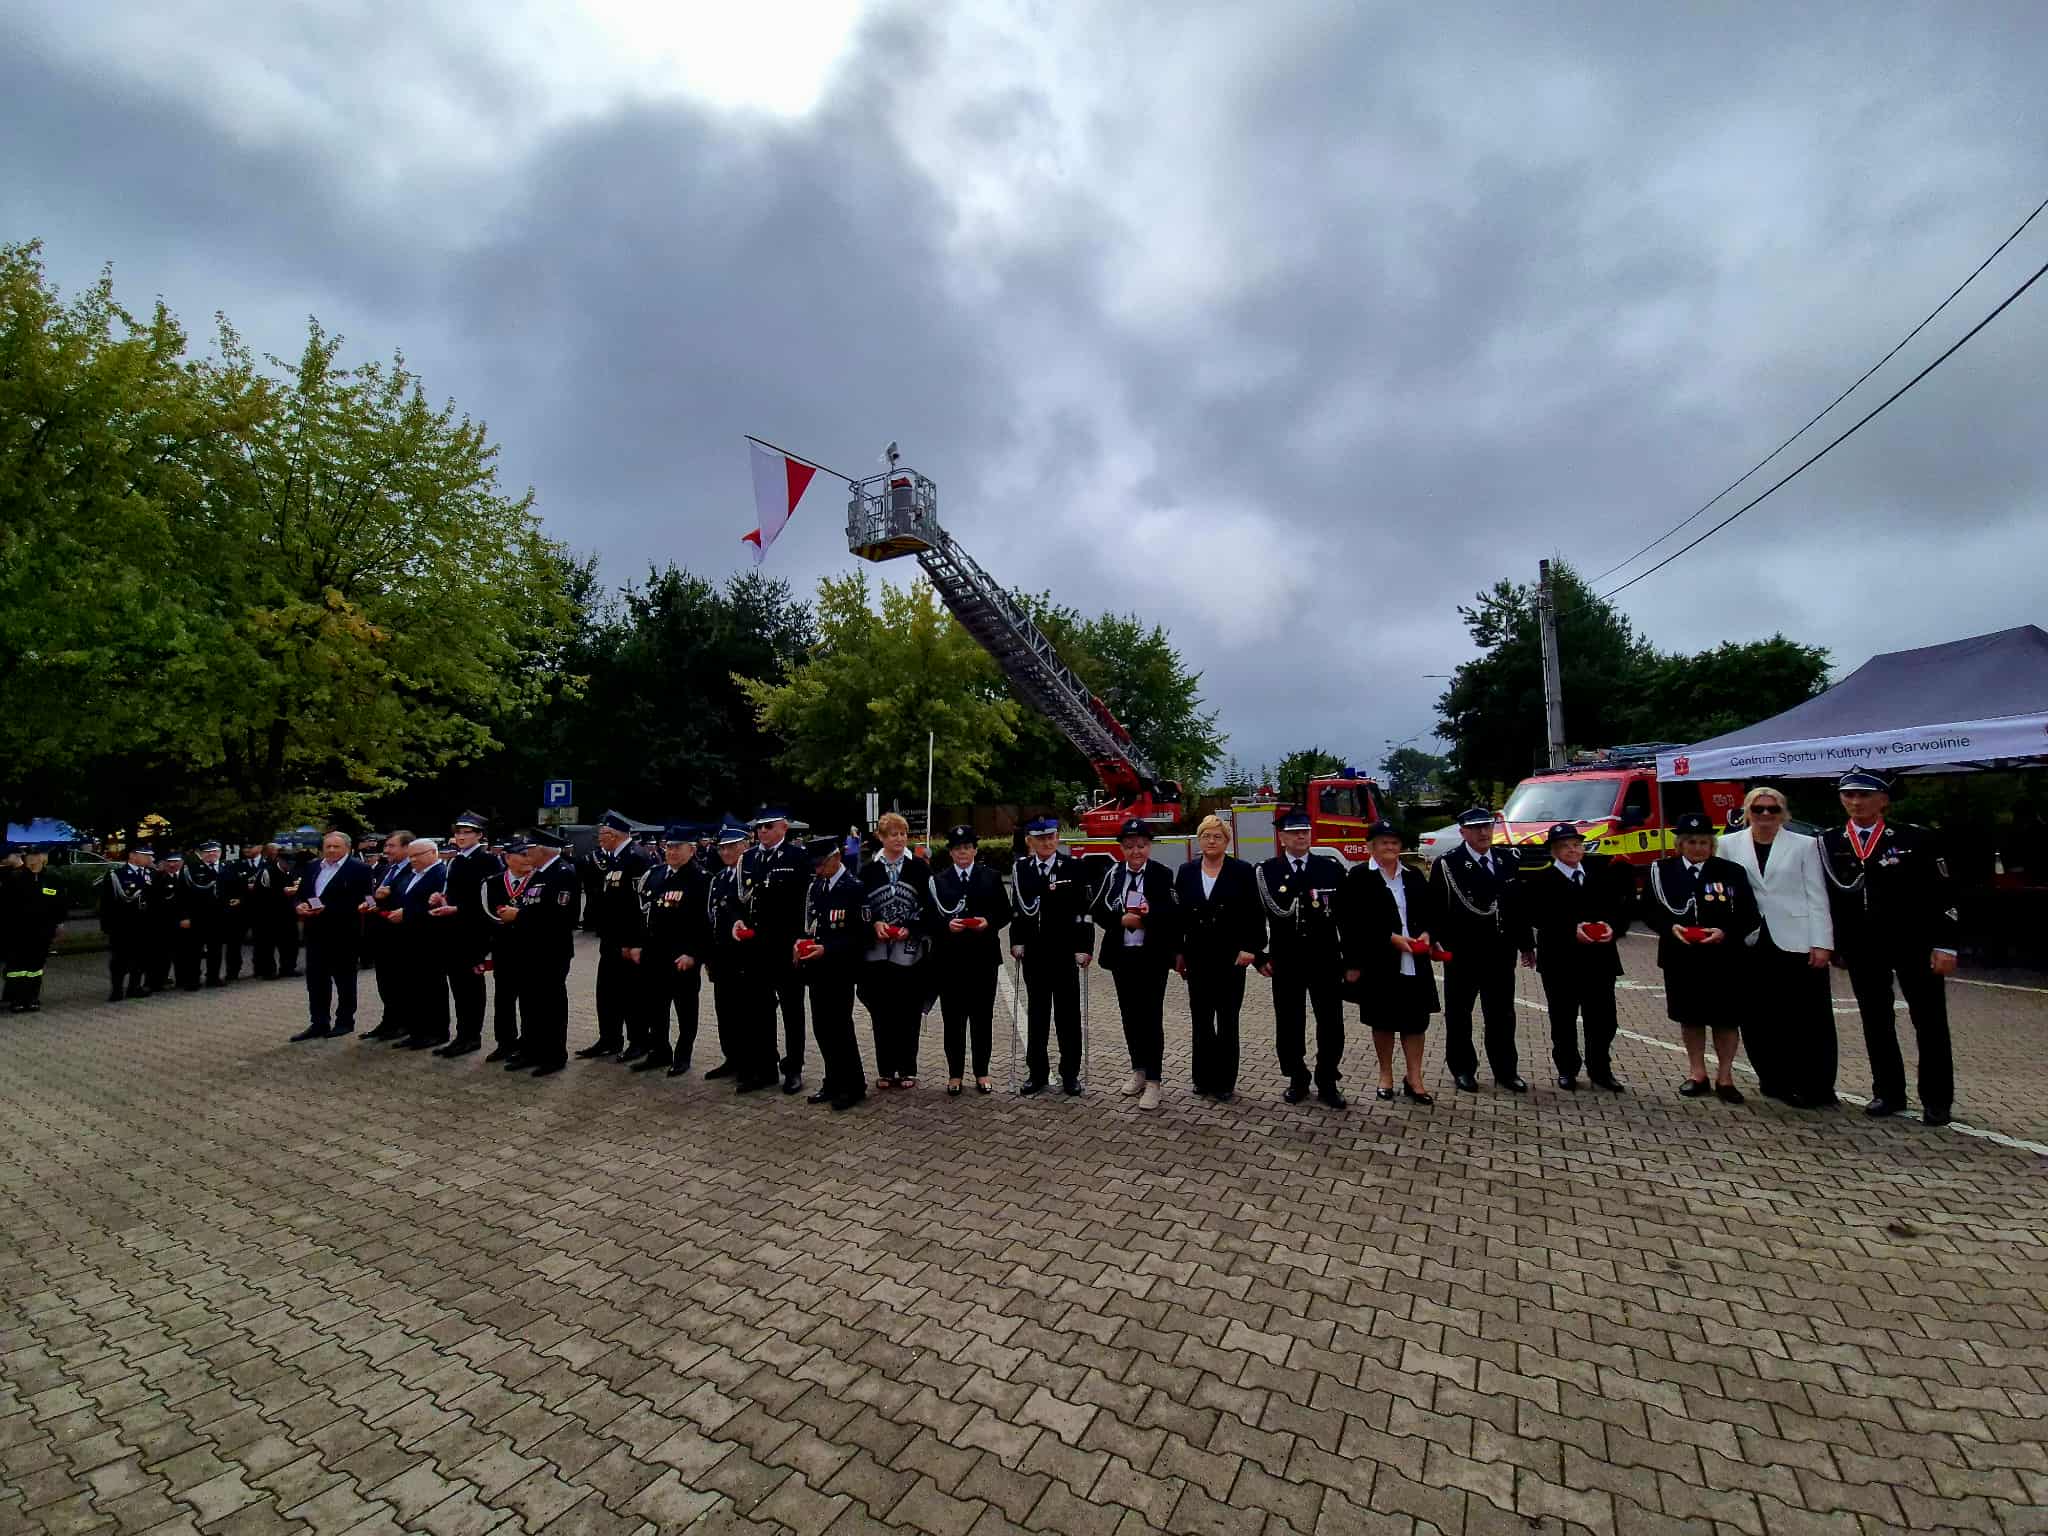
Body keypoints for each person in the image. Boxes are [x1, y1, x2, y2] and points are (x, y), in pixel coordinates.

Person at [1820, 767, 1961, 1125]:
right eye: (1849, 795)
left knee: (1929, 1020)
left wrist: (1946, 944)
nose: (1856, 802)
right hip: (1863, 946)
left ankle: (1937, 1099)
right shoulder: (1829, 841)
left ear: (1883, 800)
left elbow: (1944, 893)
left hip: (1915, 942)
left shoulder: (1917, 838)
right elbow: (1826, 898)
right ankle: (1888, 1092)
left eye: (1864, 795)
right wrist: (1834, 943)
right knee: (1875, 1020)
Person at [1718, 785, 1836, 1107]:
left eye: (1773, 809)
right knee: (1757, 1016)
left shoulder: (1805, 845)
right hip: (1750, 940)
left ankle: (1814, 1084)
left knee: (1805, 1017)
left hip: (1797, 937)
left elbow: (1817, 895)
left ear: (1783, 813)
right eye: (1758, 809)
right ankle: (1772, 1078)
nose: (1766, 814)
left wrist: (1822, 942)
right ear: (1748, 812)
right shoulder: (1727, 844)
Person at [1640, 811, 1759, 1102]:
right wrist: (1669, 927)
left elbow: (1750, 914)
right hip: (1681, 957)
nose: (1698, 847)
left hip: (1724, 958)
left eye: (1704, 842)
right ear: (1680, 844)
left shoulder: (1731, 872)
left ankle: (1725, 1078)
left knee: (1726, 1020)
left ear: (1712, 844)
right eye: (1691, 841)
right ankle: (1697, 1074)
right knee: (1690, 1018)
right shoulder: (1661, 870)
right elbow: (1648, 910)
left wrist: (1725, 931)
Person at [1517, 823, 1631, 1091]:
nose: (1572, 850)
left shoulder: (1599, 875)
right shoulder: (1540, 880)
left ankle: (1600, 1069)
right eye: (1565, 846)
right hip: (1561, 961)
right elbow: (1537, 917)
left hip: (1600, 960)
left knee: (1603, 1020)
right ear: (1554, 851)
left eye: (1576, 845)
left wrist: (1613, 928)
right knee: (1563, 1019)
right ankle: (1567, 1069)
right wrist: (1570, 931)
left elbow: (1621, 909)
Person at [1338, 821, 1439, 1104]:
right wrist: (1389, 938)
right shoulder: (1358, 877)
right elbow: (1350, 921)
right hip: (1379, 962)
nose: (1390, 847)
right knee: (1383, 1021)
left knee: (1416, 1022)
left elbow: (1432, 912)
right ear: (1371, 846)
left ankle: (1415, 1078)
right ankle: (1385, 1075)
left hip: (1415, 961)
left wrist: (1428, 933)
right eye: (1384, 842)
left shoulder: (1414, 875)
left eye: (1395, 842)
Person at [1429, 806, 1527, 1093]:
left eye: (1487, 827)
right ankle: (1462, 1068)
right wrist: (1436, 940)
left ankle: (1506, 1070)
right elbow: (1437, 907)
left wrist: (1526, 943)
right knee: (1460, 1014)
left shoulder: (1508, 859)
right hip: (1464, 952)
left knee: (1502, 1014)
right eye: (1475, 828)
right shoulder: (1448, 863)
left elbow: (1517, 905)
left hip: (1500, 950)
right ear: (1463, 832)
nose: (1483, 832)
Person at [1255, 808, 1347, 1106]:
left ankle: (1328, 1079)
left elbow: (1347, 917)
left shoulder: (1329, 868)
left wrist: (1352, 959)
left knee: (1331, 1022)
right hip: (1287, 959)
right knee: (1289, 1021)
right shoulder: (1267, 871)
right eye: (1294, 832)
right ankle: (1297, 1076)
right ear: (1282, 837)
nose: (1301, 836)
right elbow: (1255, 917)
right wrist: (1259, 955)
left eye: (1305, 831)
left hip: (1325, 957)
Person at [1174, 814, 1264, 1103]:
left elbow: (1255, 913)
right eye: (1206, 836)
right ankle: (1202, 1078)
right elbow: (1179, 916)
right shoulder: (1186, 871)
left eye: (1217, 837)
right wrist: (1178, 952)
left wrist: (1251, 947)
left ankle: (1225, 1081)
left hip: (1231, 957)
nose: (1211, 841)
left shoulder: (1242, 871)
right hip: (1197, 957)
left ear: (1227, 841)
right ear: (1198, 840)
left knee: (1227, 1020)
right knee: (1201, 1020)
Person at [1091, 818, 1179, 1111]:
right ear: (1122, 848)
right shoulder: (1113, 873)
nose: (1135, 851)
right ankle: (1138, 1071)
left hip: (1151, 957)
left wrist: (1146, 917)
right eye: (1129, 846)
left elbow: (1171, 913)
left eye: (1141, 845)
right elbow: (1097, 908)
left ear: (1149, 846)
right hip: (1122, 957)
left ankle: (1154, 1081)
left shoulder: (1162, 874)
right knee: (1129, 1016)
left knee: (1151, 1018)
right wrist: (1120, 919)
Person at [1009, 815, 1091, 1096]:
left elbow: (1083, 910)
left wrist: (1084, 947)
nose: (1046, 842)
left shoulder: (1073, 867)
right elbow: (1018, 908)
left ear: (1057, 838)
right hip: (1035, 953)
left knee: (1068, 1017)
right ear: (1030, 841)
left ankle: (1070, 1074)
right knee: (1037, 1016)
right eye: (1040, 838)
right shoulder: (1021, 869)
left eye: (1051, 837)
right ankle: (1037, 1073)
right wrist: (1016, 941)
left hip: (1065, 952)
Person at [489, 827, 581, 1076]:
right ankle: (531, 1050)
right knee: (531, 1004)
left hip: (551, 952)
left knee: (550, 1005)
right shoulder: (540, 873)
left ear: (542, 850)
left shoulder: (562, 873)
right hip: (530, 951)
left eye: (529, 849)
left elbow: (562, 916)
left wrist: (518, 915)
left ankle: (554, 1055)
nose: (527, 854)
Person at [928, 825, 1011, 1096]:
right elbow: (928, 918)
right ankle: (955, 1074)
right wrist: (945, 925)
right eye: (957, 848)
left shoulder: (991, 877)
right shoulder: (939, 880)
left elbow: (1005, 912)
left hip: (983, 958)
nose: (962, 852)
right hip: (950, 960)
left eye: (967, 847)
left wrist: (988, 921)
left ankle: (982, 1072)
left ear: (975, 850)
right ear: (950, 852)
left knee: (981, 1018)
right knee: (953, 1019)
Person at [859, 811, 934, 1090]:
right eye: (893, 834)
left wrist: (911, 928)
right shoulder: (868, 870)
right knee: (882, 1012)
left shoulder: (920, 869)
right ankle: (886, 1069)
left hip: (910, 953)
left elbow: (930, 906)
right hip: (878, 954)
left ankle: (907, 1069)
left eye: (903, 834)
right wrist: (874, 924)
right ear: (881, 837)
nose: (899, 839)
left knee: (908, 1012)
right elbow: (861, 907)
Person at [795, 835, 867, 1110]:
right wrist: (800, 942)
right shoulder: (816, 887)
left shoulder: (853, 888)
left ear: (836, 858)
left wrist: (828, 949)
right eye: (814, 865)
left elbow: (861, 936)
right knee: (822, 1028)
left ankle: (853, 1085)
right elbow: (810, 924)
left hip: (840, 969)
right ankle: (833, 1080)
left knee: (840, 1028)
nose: (817, 869)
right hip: (817, 969)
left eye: (821, 864)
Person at [744, 808, 812, 1094]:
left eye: (769, 826)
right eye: (760, 827)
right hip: (758, 946)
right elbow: (742, 898)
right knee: (760, 1009)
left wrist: (803, 938)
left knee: (792, 1010)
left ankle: (794, 1068)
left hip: (786, 946)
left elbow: (806, 901)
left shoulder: (797, 857)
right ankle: (766, 1067)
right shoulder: (749, 858)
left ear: (784, 827)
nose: (763, 831)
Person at [635, 823, 711, 1077]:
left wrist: (694, 953)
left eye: (678, 847)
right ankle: (659, 1050)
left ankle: (683, 1054)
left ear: (692, 849)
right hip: (655, 953)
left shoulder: (701, 878)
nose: (672, 852)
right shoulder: (656, 874)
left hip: (682, 956)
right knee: (655, 1007)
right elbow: (644, 913)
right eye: (668, 847)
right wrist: (639, 945)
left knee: (685, 1008)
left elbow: (704, 922)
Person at [709, 816, 779, 1091]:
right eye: (722, 848)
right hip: (724, 957)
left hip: (750, 957)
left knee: (755, 1014)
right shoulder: (718, 878)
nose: (726, 852)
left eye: (732, 847)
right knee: (727, 1012)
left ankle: (763, 1068)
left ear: (745, 846)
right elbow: (713, 918)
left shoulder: (753, 875)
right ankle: (735, 1059)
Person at [577, 811, 653, 1062]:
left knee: (632, 995)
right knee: (607, 992)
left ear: (615, 835)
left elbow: (641, 906)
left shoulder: (636, 857)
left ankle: (639, 1041)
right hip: (611, 939)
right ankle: (609, 1038)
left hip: (628, 941)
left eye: (603, 834)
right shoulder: (613, 858)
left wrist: (635, 942)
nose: (600, 839)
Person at [290, 830, 377, 1041]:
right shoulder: (312, 867)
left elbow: (368, 900)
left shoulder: (360, 869)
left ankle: (345, 1021)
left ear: (347, 848)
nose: (330, 850)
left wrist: (331, 909)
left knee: (344, 979)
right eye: (327, 846)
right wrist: (299, 905)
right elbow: (301, 894)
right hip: (315, 932)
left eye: (336, 846)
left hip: (343, 934)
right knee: (316, 980)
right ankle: (318, 1022)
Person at [430, 811, 501, 1058]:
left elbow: (489, 900)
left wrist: (458, 908)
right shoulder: (456, 860)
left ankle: (472, 1036)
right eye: (458, 832)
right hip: (454, 932)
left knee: (471, 988)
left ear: (479, 835)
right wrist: (441, 898)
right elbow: (454, 891)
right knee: (458, 987)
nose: (460, 836)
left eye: (467, 832)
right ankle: (462, 1035)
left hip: (474, 933)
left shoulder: (488, 861)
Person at [389, 838, 451, 1051]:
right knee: (413, 987)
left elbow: (437, 906)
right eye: (411, 856)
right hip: (408, 939)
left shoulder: (440, 874)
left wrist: (407, 913)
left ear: (433, 853)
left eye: (417, 855)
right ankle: (417, 1030)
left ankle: (437, 1031)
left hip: (429, 940)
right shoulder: (412, 874)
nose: (413, 860)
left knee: (432, 987)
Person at [360, 831, 418, 1041]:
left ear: (407, 847)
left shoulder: (414, 870)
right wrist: (372, 903)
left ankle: (404, 1023)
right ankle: (389, 1021)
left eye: (391, 846)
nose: (386, 850)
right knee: (385, 982)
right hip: (382, 933)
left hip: (401, 935)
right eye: (386, 846)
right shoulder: (388, 868)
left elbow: (412, 899)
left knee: (401, 982)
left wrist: (388, 897)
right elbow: (378, 895)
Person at [481, 838, 533, 1063]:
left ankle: (528, 1043)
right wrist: (503, 921)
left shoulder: (537, 880)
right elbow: (486, 912)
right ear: (508, 858)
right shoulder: (493, 882)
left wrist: (519, 920)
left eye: (529, 854)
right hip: (503, 948)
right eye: (523, 855)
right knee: (504, 999)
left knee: (529, 999)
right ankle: (505, 1042)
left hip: (530, 948)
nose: (528, 859)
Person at [2, 848, 65, 1013]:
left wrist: (59, 924)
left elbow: (60, 903)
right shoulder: (15, 878)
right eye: (29, 856)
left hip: (43, 931)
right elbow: (5, 905)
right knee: (17, 967)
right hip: (18, 931)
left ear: (43, 857)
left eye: (36, 855)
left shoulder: (53, 878)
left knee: (35, 967)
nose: (32, 859)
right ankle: (16, 999)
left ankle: (32, 998)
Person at [101, 844, 156, 1000]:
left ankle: (134, 987)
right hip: (123, 925)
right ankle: (117, 990)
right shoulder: (117, 875)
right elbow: (107, 902)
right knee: (119, 959)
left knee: (141, 958)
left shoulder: (151, 874)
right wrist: (106, 925)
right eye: (145, 855)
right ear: (132, 855)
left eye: (150, 856)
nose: (149, 858)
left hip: (144, 925)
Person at [183, 841, 231, 988]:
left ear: (220, 853)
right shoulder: (191, 869)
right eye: (208, 852)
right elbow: (183, 895)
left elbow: (234, 889)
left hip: (219, 916)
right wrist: (185, 916)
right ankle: (193, 980)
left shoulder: (226, 868)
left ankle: (213, 977)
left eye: (215, 851)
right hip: (198, 916)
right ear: (201, 854)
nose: (212, 854)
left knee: (216, 949)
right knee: (195, 950)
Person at [229, 843, 274, 979]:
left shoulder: (269, 864)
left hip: (262, 909)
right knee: (234, 942)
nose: (247, 849)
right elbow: (230, 885)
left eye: (250, 847)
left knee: (263, 941)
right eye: (245, 847)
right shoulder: (236, 865)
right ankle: (232, 971)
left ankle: (263, 969)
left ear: (260, 848)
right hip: (241, 909)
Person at [152, 850, 190, 993]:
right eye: (169, 862)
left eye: (176, 861)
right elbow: (156, 902)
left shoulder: (188, 876)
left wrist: (186, 918)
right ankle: (159, 982)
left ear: (182, 862)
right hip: (165, 923)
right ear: (164, 863)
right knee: (163, 955)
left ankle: (182, 979)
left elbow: (191, 900)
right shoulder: (158, 878)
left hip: (184, 922)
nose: (172, 865)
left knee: (182, 953)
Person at [265, 843, 301, 978]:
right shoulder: (269, 872)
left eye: (292, 862)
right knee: (269, 943)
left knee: (291, 942)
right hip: (272, 913)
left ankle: (288, 968)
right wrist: (283, 892)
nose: (289, 865)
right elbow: (262, 893)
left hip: (290, 912)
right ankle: (269, 970)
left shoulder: (293, 871)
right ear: (279, 859)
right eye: (287, 862)